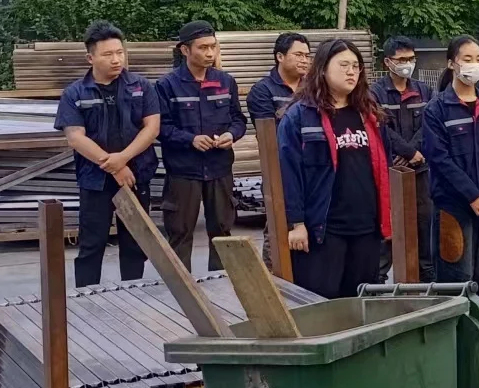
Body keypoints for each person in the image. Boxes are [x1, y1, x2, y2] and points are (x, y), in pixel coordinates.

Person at [276, 38, 393, 300]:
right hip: (323, 229)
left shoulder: (369, 114)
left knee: (359, 302)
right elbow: (288, 174)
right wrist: (296, 224)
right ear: (323, 68)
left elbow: (383, 166)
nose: (352, 72)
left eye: (356, 66)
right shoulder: (300, 116)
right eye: (343, 65)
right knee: (321, 302)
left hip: (365, 227)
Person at [54, 22, 162, 290]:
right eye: (108, 54)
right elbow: (75, 137)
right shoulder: (75, 93)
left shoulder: (141, 87)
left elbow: (152, 128)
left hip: (136, 176)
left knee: (135, 242)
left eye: (120, 52)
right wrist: (115, 166)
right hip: (95, 181)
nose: (116, 60)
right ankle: (86, 297)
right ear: (90, 58)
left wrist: (123, 159)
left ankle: (133, 295)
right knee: (91, 244)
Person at [422, 36, 479, 311]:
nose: (474, 65)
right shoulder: (437, 109)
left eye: (478, 59)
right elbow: (440, 159)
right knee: (456, 279)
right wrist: (472, 196)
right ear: (451, 64)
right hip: (455, 209)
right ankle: (456, 335)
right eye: (467, 59)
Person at [156, 21, 246, 274]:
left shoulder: (225, 82)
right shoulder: (167, 85)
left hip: (220, 169)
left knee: (222, 232)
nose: (210, 53)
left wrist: (231, 134)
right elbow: (160, 127)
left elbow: (238, 120)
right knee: (180, 232)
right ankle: (179, 287)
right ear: (185, 50)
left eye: (213, 47)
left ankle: (222, 283)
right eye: (203, 48)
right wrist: (190, 139)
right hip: (184, 171)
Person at [371, 35, 436, 281]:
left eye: (411, 58)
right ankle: (378, 278)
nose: (407, 64)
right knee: (389, 224)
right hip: (390, 170)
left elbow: (430, 124)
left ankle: (426, 274)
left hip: (420, 169)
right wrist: (408, 152)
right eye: (401, 59)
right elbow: (379, 127)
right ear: (388, 62)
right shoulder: (375, 93)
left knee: (424, 222)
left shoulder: (423, 90)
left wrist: (415, 153)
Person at [246, 31, 310, 123]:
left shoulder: (313, 86)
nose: (305, 60)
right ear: (280, 57)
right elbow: (267, 129)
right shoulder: (262, 90)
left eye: (307, 56)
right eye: (298, 55)